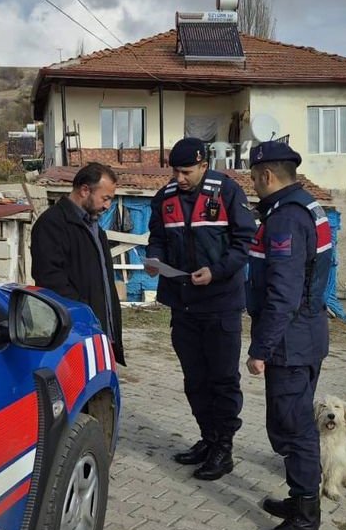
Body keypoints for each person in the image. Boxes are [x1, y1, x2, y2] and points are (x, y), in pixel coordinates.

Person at [144, 137, 255, 480]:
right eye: (175, 171)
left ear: (204, 165)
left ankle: (224, 447)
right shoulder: (165, 198)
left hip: (221, 304)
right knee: (195, 380)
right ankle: (208, 439)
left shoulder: (227, 192)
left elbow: (244, 242)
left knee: (222, 380)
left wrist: (217, 271)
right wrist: (154, 259)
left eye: (186, 171)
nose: (179, 177)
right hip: (184, 304)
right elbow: (157, 237)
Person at [243, 140, 333, 530]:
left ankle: (304, 525)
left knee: (293, 431)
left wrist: (260, 348)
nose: (254, 184)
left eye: (253, 177)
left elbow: (283, 292)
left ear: (266, 175)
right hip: (304, 335)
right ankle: (299, 502)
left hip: (290, 342)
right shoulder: (306, 207)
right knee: (292, 426)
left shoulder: (285, 219)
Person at [30, 162, 126, 366]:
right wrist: (84, 315)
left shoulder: (95, 229)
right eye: (105, 198)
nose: (108, 206)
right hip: (74, 336)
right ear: (84, 190)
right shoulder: (52, 224)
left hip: (100, 334)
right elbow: (50, 279)